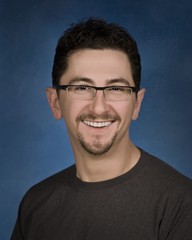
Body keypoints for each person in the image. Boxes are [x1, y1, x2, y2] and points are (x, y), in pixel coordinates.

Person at [11, 18, 192, 240]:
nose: (99, 107)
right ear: (55, 102)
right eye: (82, 87)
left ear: (137, 104)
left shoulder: (182, 205)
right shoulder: (35, 204)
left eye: (116, 88)